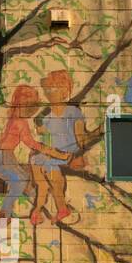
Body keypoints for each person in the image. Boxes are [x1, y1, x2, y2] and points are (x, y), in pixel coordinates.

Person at [0, 85, 68, 219]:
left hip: (4, 156)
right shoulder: (20, 122)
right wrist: (52, 152)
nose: (31, 110)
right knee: (21, 180)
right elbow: (32, 143)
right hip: (3, 157)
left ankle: (41, 206)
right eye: (29, 106)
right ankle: (5, 212)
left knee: (27, 180)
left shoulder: (14, 118)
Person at [32, 70, 84, 225]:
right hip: (53, 153)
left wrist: (80, 154)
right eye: (47, 89)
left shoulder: (73, 112)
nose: (49, 93)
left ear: (64, 91)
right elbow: (44, 135)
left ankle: (60, 207)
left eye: (53, 88)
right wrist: (39, 126)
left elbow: (80, 137)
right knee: (36, 161)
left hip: (68, 152)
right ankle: (38, 207)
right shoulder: (47, 116)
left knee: (48, 163)